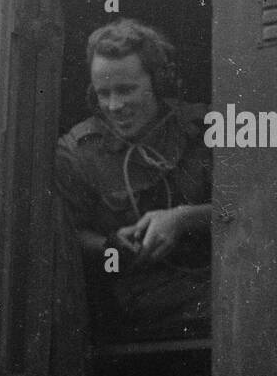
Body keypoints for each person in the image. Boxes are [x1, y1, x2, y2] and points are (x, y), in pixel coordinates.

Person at [55, 18, 212, 345]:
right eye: (103, 93)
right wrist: (110, 245)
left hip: (214, 295)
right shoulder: (77, 152)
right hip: (138, 312)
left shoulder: (206, 129)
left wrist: (184, 218)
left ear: (158, 81)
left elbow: (249, 208)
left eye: (126, 90)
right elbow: (68, 234)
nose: (114, 106)